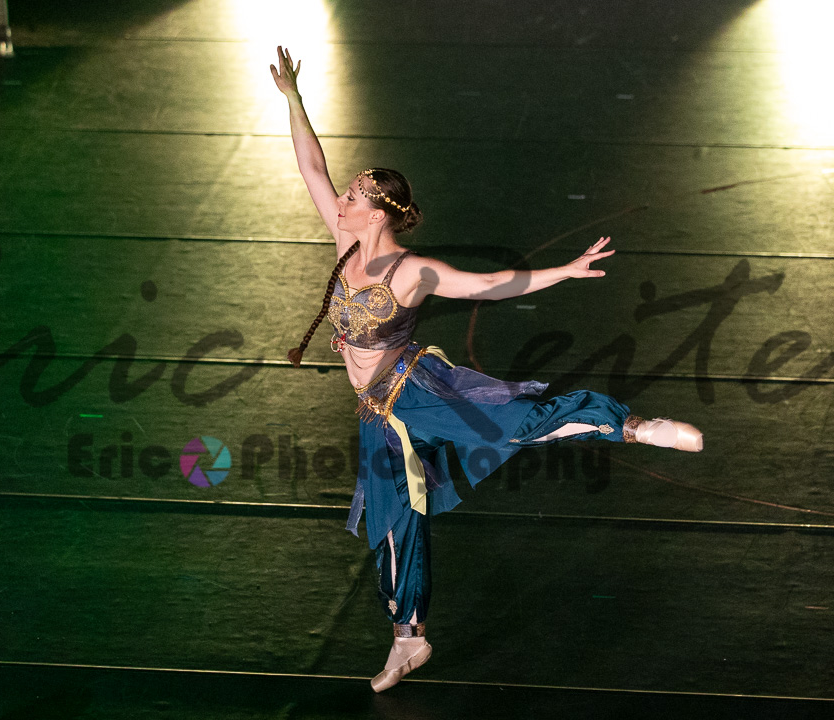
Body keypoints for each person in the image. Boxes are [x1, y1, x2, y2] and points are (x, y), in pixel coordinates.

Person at [270, 46, 702, 692]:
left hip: (419, 392)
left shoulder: (412, 271)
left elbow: (490, 285)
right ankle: (409, 640)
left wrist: (564, 270)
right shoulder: (344, 239)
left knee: (519, 423)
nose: (341, 200)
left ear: (379, 212)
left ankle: (631, 426)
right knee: (394, 523)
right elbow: (311, 165)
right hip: (376, 415)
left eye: (354, 196)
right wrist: (294, 99)